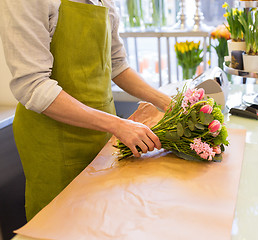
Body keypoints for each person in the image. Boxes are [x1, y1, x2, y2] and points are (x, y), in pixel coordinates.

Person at [0, 0, 171, 221]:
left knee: (103, 218)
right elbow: (32, 85)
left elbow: (117, 63)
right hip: (54, 139)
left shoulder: (103, 2)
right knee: (62, 222)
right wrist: (118, 124)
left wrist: (167, 102)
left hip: (104, 132)